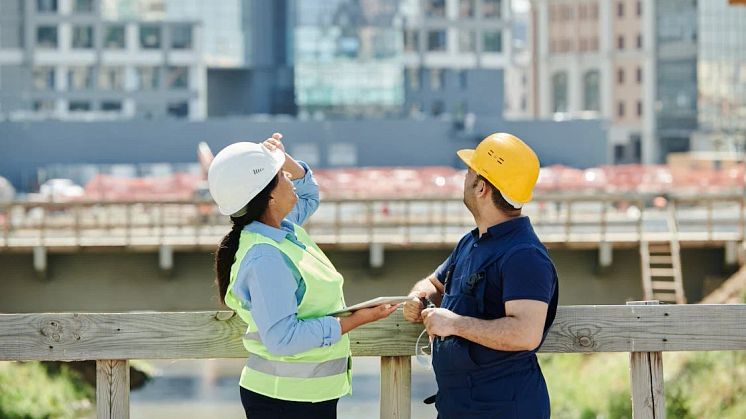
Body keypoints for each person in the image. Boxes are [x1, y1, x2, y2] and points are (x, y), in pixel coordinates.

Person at [208, 133, 397, 419]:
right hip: (284, 400)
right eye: (281, 175)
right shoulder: (266, 256)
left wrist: (284, 159)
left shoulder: (284, 230)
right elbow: (283, 338)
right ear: (269, 196)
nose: (289, 177)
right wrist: (358, 319)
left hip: (304, 396)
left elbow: (309, 193)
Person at [403, 133, 559, 419]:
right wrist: (419, 298)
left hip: (505, 409)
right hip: (459, 406)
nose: (464, 178)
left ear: (482, 187)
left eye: (469, 172)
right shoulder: (472, 242)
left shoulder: (524, 254)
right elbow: (433, 283)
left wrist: (455, 325)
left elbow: (525, 333)